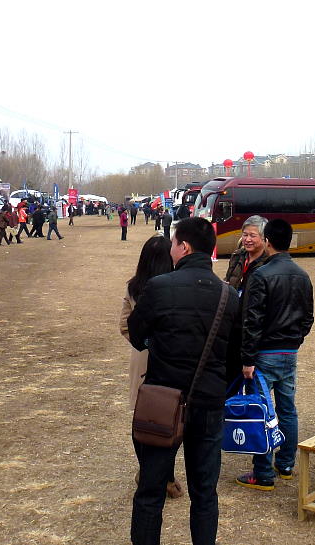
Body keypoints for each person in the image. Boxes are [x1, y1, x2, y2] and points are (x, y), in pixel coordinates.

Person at [127, 217, 241, 545]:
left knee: (150, 491)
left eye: (174, 243)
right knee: (205, 493)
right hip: (208, 403)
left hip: (161, 400)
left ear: (184, 247)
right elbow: (236, 357)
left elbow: (136, 335)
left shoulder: (159, 287)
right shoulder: (229, 295)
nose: (171, 249)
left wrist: (159, 345)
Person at [237, 219, 314, 491]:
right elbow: (308, 318)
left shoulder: (261, 275)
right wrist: (294, 340)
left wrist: (247, 359)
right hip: (288, 352)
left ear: (267, 240)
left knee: (261, 411)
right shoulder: (302, 275)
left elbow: (252, 320)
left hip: (264, 353)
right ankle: (286, 463)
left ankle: (263, 472)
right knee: (287, 409)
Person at [120, 235, 182, 499]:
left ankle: (153, 472)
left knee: (144, 419)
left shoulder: (134, 287)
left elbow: (124, 325)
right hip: (171, 359)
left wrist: (144, 343)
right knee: (173, 419)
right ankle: (160, 474)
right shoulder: (176, 286)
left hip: (142, 357)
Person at [224, 215, 269, 296]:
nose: (247, 239)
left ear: (264, 237)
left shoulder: (269, 262)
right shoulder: (237, 256)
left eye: (252, 236)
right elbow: (228, 279)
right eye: (245, 235)